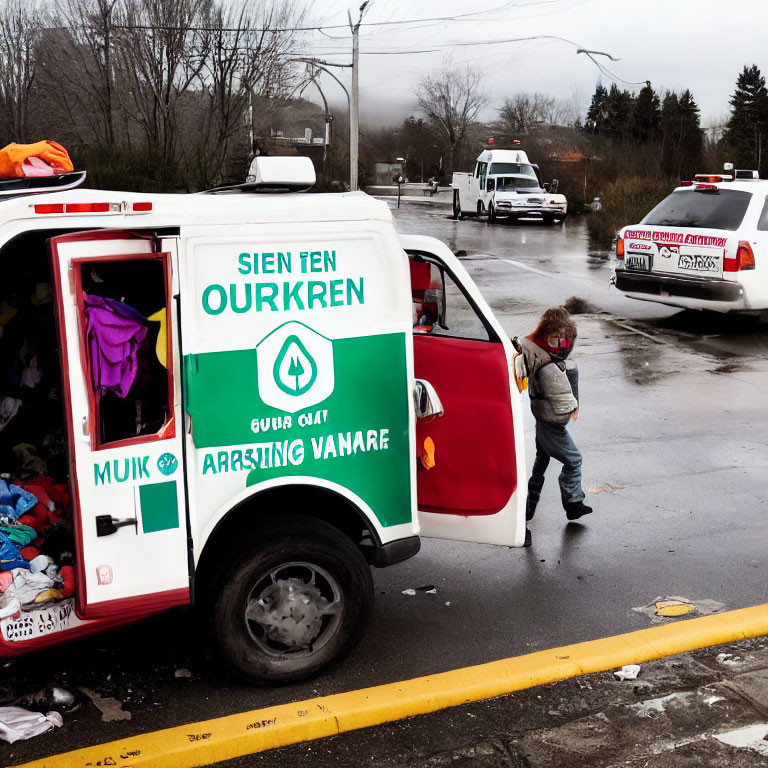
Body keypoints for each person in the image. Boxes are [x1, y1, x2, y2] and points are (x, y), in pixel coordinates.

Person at [519, 307, 592, 545]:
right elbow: (560, 396)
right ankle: (573, 503)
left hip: (543, 419)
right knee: (574, 460)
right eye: (556, 340)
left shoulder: (537, 353)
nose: (561, 345)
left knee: (540, 463)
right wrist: (571, 407)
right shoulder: (550, 366)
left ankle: (527, 511)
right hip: (551, 423)